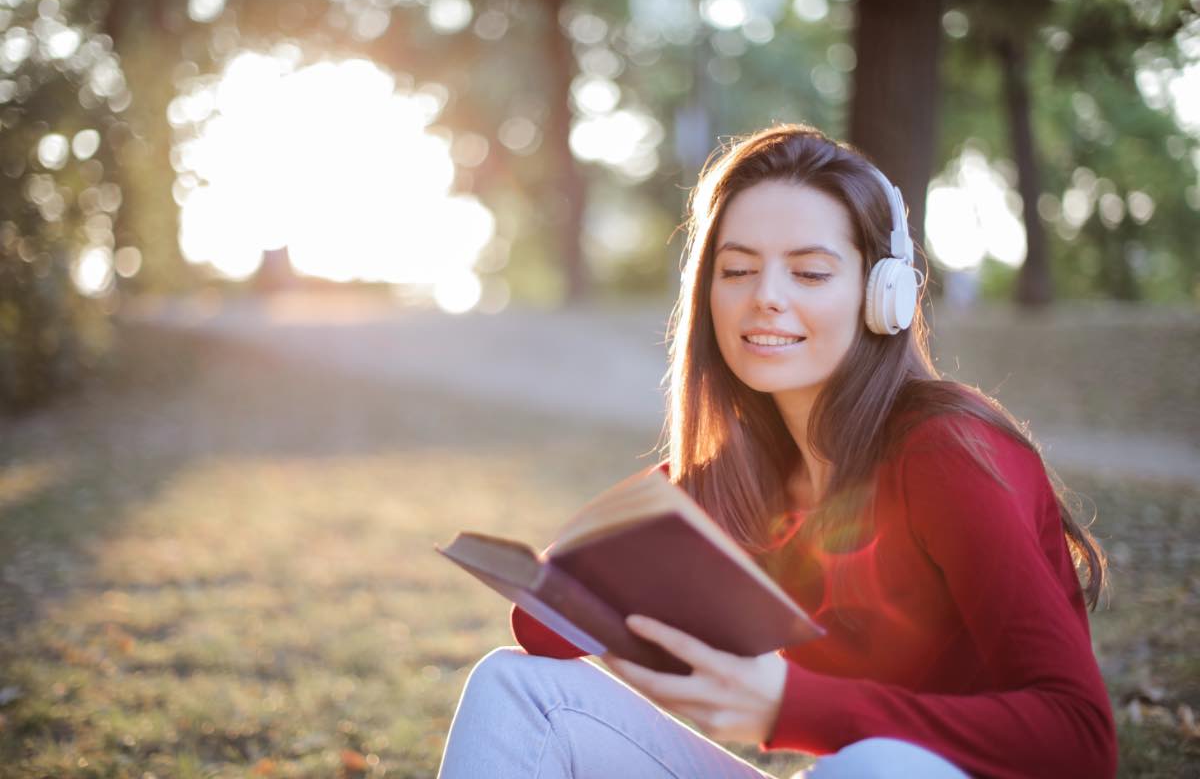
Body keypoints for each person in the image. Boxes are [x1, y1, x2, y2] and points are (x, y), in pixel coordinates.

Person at [437, 124, 1116, 778]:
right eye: (737, 270)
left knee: (880, 766)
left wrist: (787, 705)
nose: (765, 298)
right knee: (518, 690)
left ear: (884, 295)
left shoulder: (948, 452)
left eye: (810, 273)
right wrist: (686, 492)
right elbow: (542, 631)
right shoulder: (745, 478)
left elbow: (1080, 741)